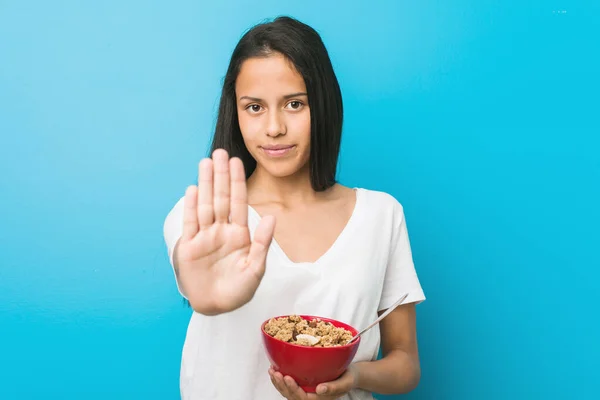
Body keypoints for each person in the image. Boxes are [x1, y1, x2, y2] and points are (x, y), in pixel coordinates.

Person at [163, 15, 426, 400]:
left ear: (323, 105)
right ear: (234, 113)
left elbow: (405, 364)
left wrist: (350, 376)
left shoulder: (381, 215)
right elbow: (197, 284)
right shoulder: (205, 217)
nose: (274, 128)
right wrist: (204, 296)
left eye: (294, 104)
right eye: (254, 107)